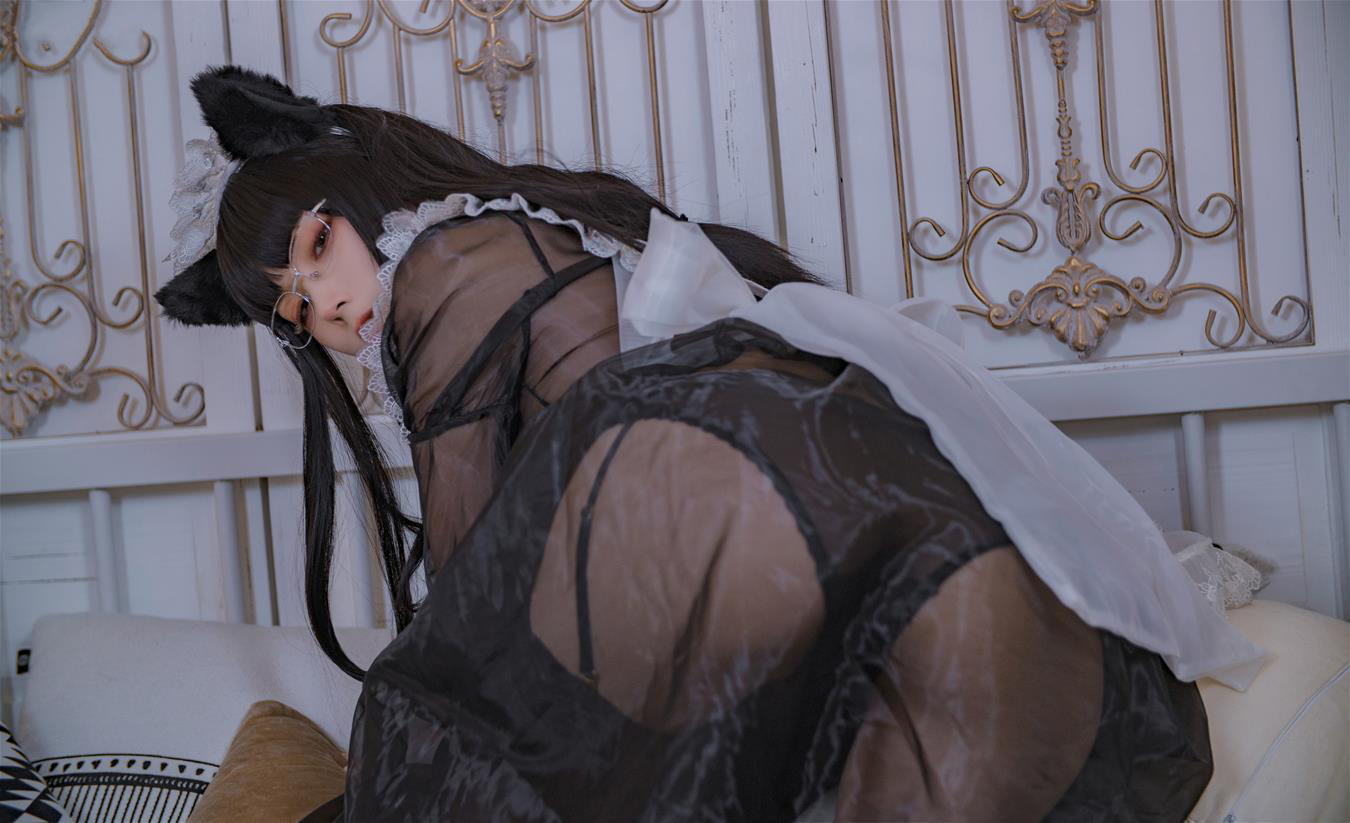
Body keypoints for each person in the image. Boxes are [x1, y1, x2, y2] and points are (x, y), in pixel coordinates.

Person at [157, 66, 1262, 822]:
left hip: (760, 514)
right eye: (294, 309)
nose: (326, 304)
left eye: (317, 247)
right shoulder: (525, 229)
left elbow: (473, 584)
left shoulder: (442, 265)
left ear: (356, 187)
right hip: (840, 500)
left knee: (426, 721)